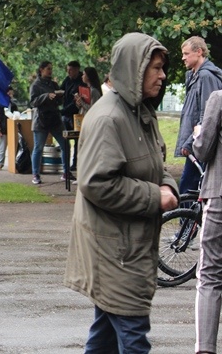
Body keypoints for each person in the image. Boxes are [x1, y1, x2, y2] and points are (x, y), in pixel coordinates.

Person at [64, 32, 178, 353]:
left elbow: (155, 162)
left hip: (127, 249)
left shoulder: (139, 112)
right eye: (155, 68)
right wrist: (155, 197)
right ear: (134, 69)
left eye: (162, 68)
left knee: (105, 338)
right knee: (133, 338)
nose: (162, 75)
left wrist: (167, 185)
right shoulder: (108, 118)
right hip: (115, 253)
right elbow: (97, 183)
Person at [194, 88, 222, 353]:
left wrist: (197, 134)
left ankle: (205, 348)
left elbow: (203, 149)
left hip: (219, 194)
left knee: (210, 273)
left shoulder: (219, 99)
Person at [176, 36, 222, 198]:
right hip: (195, 142)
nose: (183, 58)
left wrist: (190, 142)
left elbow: (209, 116)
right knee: (190, 188)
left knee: (188, 188)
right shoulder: (194, 76)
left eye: (186, 53)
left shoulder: (206, 77)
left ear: (199, 52)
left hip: (202, 143)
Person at [29, 61, 72, 185]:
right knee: (38, 148)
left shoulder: (54, 84)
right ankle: (35, 174)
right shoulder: (35, 85)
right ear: (41, 70)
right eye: (48, 69)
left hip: (55, 119)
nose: (50, 71)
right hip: (41, 120)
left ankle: (66, 172)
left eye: (51, 69)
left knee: (65, 144)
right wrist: (46, 96)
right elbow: (33, 102)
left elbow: (59, 102)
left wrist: (60, 96)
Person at [61, 61, 86, 171]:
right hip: (66, 114)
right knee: (65, 139)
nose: (68, 72)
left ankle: (76, 163)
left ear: (76, 70)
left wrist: (63, 111)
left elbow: (78, 101)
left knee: (77, 140)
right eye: (67, 70)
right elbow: (62, 90)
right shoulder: (67, 80)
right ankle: (66, 164)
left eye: (70, 70)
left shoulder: (82, 82)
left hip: (76, 114)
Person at [0, 86, 19, 170]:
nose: (11, 95)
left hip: (12, 130)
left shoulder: (14, 105)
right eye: (9, 93)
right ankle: (0, 164)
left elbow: (17, 116)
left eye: (12, 94)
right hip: (3, 130)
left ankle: (15, 163)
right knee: (2, 148)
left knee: (14, 147)